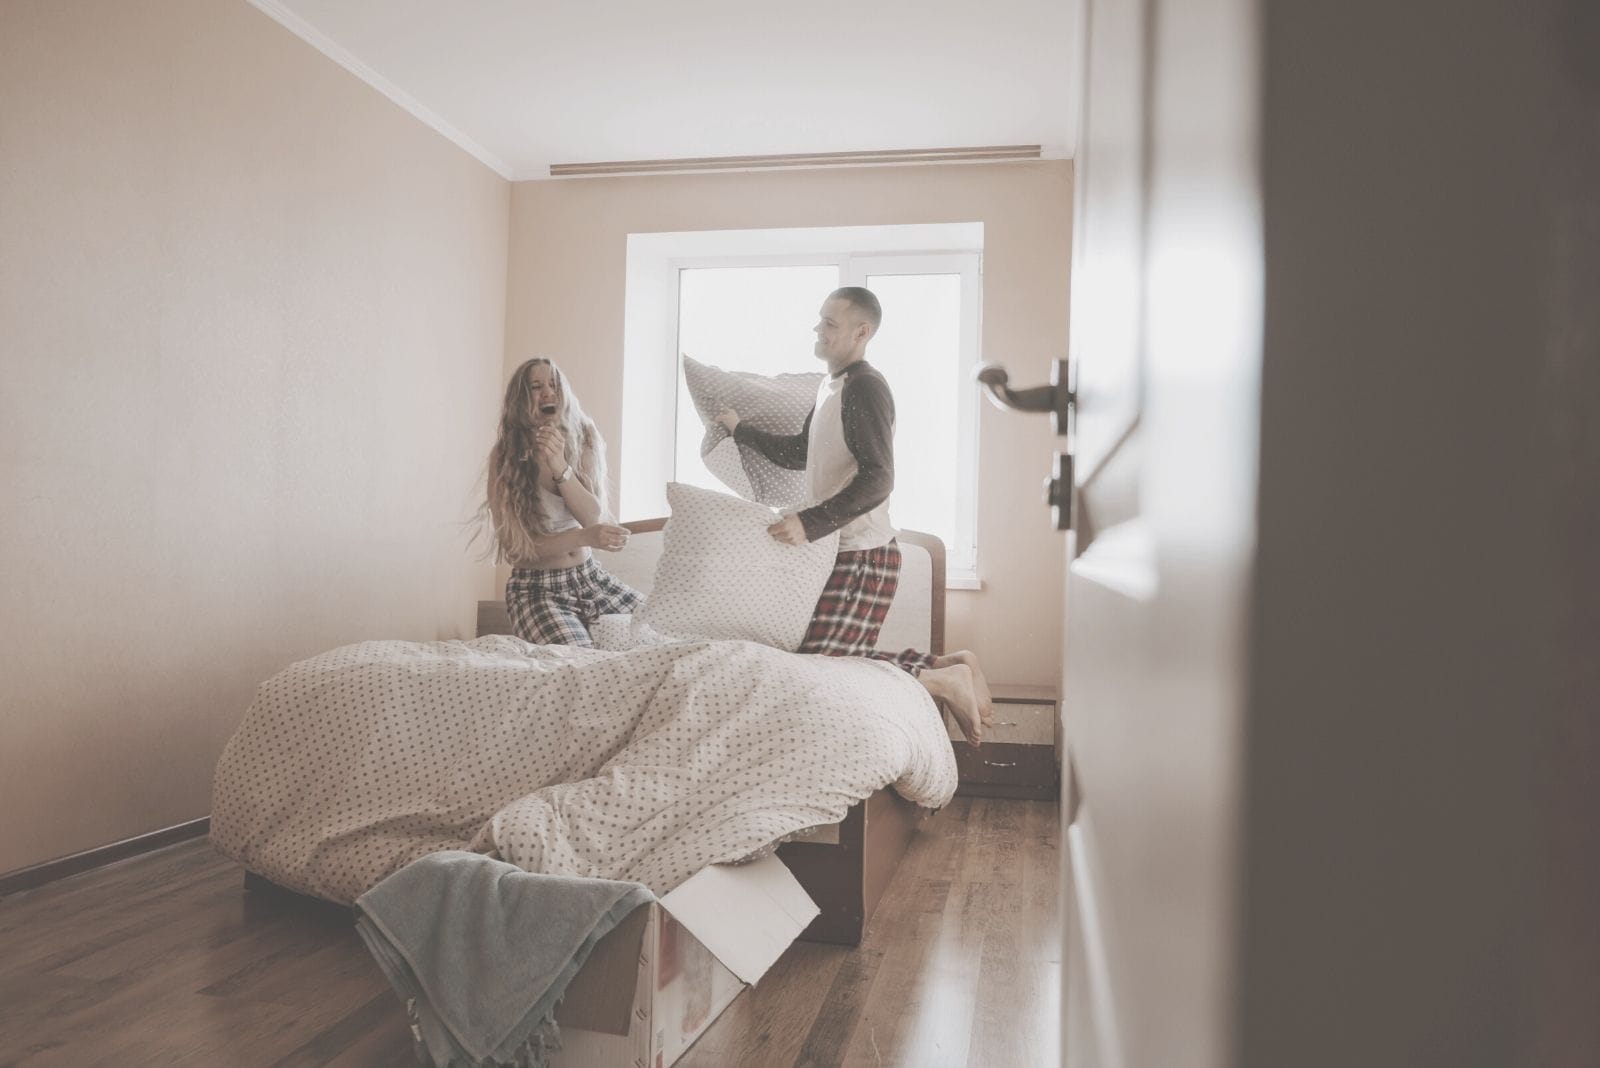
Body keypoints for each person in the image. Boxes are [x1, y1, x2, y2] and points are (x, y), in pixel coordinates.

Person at [715, 287, 994, 745]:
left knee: (822, 669)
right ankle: (946, 666)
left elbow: (879, 477)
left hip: (864, 556)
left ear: (861, 333)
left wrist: (809, 522)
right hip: (838, 553)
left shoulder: (866, 386)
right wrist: (738, 429)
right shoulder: (832, 386)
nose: (818, 330)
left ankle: (942, 680)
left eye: (830, 323)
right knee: (830, 660)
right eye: (819, 320)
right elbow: (798, 452)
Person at [479, 358, 639, 647]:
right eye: (537, 387)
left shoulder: (584, 437)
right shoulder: (504, 457)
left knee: (668, 631)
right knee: (580, 667)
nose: (548, 394)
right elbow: (517, 551)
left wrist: (559, 465)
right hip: (538, 590)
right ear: (521, 400)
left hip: (591, 578)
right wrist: (582, 537)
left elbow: (593, 516)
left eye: (554, 385)